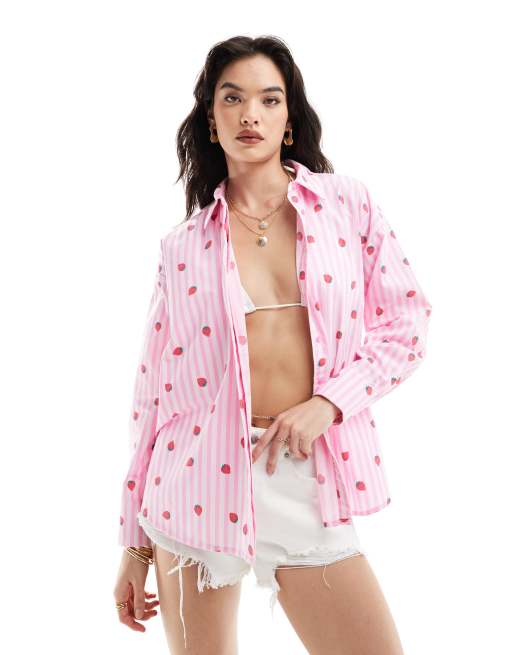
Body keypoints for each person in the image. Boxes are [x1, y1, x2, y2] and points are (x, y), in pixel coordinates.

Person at [113, 34, 432, 655]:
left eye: (269, 99)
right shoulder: (183, 247)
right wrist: (134, 545)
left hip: (304, 474)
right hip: (194, 484)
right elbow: (152, 398)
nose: (250, 114)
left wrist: (330, 403)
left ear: (290, 120)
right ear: (212, 120)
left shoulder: (346, 205)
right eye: (232, 99)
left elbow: (407, 322)